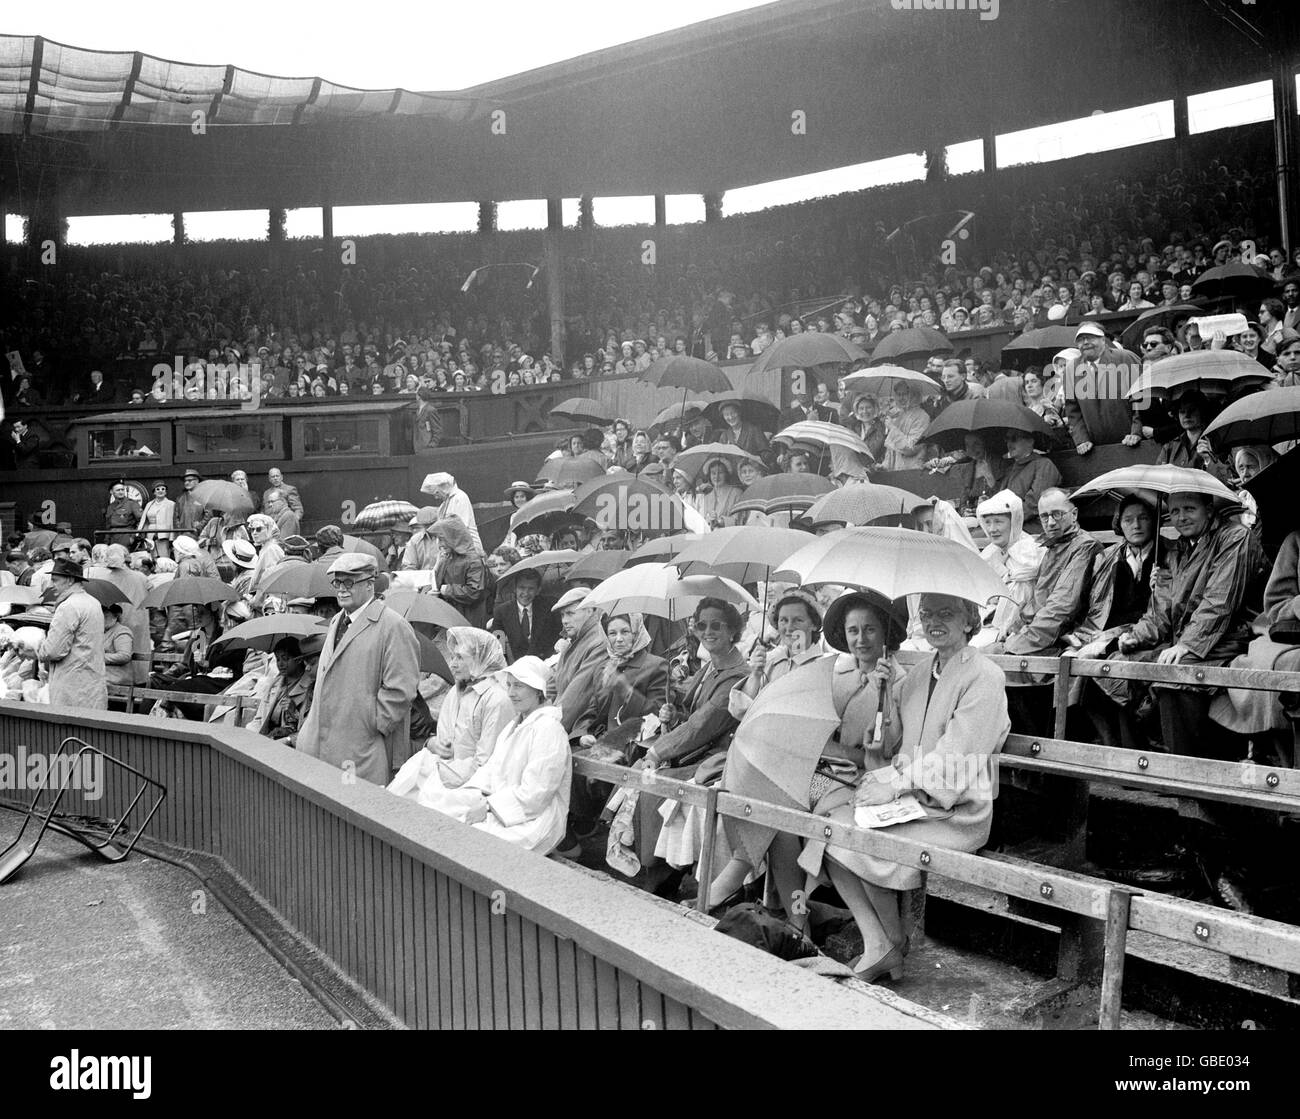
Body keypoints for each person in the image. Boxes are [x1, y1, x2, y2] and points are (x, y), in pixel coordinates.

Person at [801, 593, 1009, 981]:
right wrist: (885, 697)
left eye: (946, 614)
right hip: (912, 796)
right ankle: (881, 941)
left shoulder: (985, 677)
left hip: (955, 810)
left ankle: (888, 945)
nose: (934, 622)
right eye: (927, 614)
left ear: (969, 621)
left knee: (855, 832)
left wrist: (894, 786)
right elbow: (892, 743)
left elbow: (957, 759)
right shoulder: (919, 672)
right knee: (828, 827)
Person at [1088, 490, 1266, 759]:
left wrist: (1186, 645)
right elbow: (1160, 613)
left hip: (1231, 638)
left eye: (1189, 509)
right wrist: (1134, 637)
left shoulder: (1235, 538)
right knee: (1118, 665)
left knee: (1174, 675)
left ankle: (1184, 770)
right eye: (1174, 512)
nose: (1181, 517)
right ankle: (1138, 764)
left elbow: (1220, 603)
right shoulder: (1177, 550)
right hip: (1188, 639)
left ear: (1209, 508)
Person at [395, 657, 572, 854]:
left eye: (519, 686)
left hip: (533, 818)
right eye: (509, 685)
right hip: (502, 803)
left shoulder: (548, 730)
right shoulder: (516, 725)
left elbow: (536, 794)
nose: (511, 693)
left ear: (538, 691)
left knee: (465, 837)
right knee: (436, 805)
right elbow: (491, 769)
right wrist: (470, 796)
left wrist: (488, 807)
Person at [634, 598, 749, 879]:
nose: (707, 631)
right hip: (694, 751)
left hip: (716, 761)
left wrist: (657, 752)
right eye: (701, 625)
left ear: (733, 631)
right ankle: (637, 860)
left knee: (653, 785)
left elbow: (703, 725)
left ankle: (657, 872)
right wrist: (672, 714)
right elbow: (691, 715)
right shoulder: (710, 667)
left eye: (716, 625)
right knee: (636, 773)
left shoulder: (737, 675)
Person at [297, 554, 421, 785]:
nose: (342, 589)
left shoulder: (393, 626)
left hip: (359, 752)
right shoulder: (337, 621)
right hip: (320, 747)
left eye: (349, 583)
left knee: (350, 810)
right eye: (337, 583)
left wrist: (370, 725)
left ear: (369, 584)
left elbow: (401, 690)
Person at [1066, 497, 1159, 748]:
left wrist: (1158, 587)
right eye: (1129, 520)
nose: (1136, 525)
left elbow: (1164, 612)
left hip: (1148, 632)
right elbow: (1094, 604)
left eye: (1143, 518)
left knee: (1112, 669)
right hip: (1106, 630)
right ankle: (1109, 745)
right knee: (1073, 663)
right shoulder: (1108, 557)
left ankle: (1130, 749)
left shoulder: (1167, 555)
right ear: (1120, 523)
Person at [390, 627, 513, 794]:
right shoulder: (455, 693)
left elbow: (486, 764)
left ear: (480, 659)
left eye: (460, 658)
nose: (453, 664)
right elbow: (443, 739)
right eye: (453, 657)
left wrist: (440, 772)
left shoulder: (497, 700)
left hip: (472, 790)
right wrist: (433, 745)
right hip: (443, 780)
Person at [36, 557, 107, 710]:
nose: (51, 585)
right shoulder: (94, 602)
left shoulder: (68, 606)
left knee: (67, 733)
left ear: (69, 580)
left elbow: (53, 651)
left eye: (55, 580)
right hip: (92, 682)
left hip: (71, 685)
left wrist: (39, 646)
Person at [1061, 322, 1143, 454]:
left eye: (1091, 337)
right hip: (1095, 450)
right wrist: (1082, 440)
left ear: (1103, 339)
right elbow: (1073, 411)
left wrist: (1137, 431)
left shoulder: (1125, 358)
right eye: (1081, 339)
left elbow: (1140, 398)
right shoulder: (1071, 369)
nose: (1086, 342)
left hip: (1132, 444)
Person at [975, 491, 1044, 646]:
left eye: (998, 522)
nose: (992, 529)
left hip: (1018, 628)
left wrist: (1002, 569)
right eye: (987, 522)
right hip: (985, 623)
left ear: (1013, 521)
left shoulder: (1028, 551)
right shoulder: (990, 552)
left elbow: (1020, 597)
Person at [547, 587, 609, 736]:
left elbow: (575, 698)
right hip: (556, 720)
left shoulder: (598, 643)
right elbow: (552, 686)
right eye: (562, 615)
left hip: (576, 729)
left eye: (570, 613)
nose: (564, 621)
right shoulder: (573, 641)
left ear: (590, 611)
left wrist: (548, 730)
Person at [257, 635, 321, 746]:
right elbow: (259, 718)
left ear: (299, 660)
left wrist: (293, 711)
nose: (280, 664)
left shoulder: (310, 687)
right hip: (266, 739)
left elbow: (307, 727)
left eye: (286, 659)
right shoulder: (274, 684)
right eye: (278, 659)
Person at [1154, 391, 1232, 483]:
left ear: (1202, 412)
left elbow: (1227, 481)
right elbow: (1156, 480)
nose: (1187, 415)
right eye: (1182, 411)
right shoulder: (1170, 447)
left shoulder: (1217, 443)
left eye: (1192, 410)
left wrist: (1209, 460)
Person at [427, 515, 488, 627]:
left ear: (453, 537)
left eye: (442, 539)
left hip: (468, 619)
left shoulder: (473, 560)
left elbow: (474, 592)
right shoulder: (446, 558)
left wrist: (448, 590)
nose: (440, 544)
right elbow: (438, 585)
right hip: (449, 617)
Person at [490, 568, 558, 659]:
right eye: (522, 588)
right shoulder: (501, 611)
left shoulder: (549, 607)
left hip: (546, 663)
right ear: (515, 588)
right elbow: (498, 644)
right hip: (519, 665)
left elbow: (558, 637)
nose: (525, 593)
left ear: (538, 590)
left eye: (531, 589)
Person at [1000, 428, 1062, 523]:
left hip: (1033, 525)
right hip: (1007, 523)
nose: (1009, 443)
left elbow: (1034, 504)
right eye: (1006, 439)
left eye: (1014, 438)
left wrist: (1006, 520)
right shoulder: (1009, 469)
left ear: (1030, 441)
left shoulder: (1044, 465)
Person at [422, 472, 482, 553]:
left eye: (437, 493)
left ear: (444, 487)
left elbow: (461, 527)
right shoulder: (443, 505)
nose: (436, 497)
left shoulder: (460, 497)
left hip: (468, 549)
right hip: (453, 549)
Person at [882, 383, 930, 471]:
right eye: (898, 394)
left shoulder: (922, 417)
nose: (901, 398)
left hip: (912, 473)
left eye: (905, 394)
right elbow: (892, 450)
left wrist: (892, 429)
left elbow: (911, 448)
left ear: (914, 395)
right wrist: (884, 466)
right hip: (894, 474)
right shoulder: (898, 416)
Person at [693, 458, 744, 527]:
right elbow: (701, 521)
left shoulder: (736, 493)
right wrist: (708, 520)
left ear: (726, 474)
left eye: (720, 472)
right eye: (713, 473)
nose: (716, 476)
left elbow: (739, 519)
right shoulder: (707, 498)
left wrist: (721, 521)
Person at [101, 603, 135, 689]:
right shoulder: (100, 631)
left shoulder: (122, 631)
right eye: (100, 615)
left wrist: (99, 657)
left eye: (106, 616)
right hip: (101, 676)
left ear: (115, 617)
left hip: (116, 678)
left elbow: (124, 656)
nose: (102, 619)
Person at [138, 480, 175, 559]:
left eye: (163, 489)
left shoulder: (171, 504)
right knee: (151, 556)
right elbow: (145, 520)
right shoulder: (149, 504)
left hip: (163, 534)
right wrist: (142, 533)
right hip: (150, 533)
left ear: (166, 492)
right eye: (157, 489)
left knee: (164, 556)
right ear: (154, 492)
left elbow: (172, 521)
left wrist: (171, 537)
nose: (160, 491)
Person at [103, 482, 142, 549]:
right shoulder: (110, 507)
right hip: (113, 538)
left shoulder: (132, 504)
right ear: (112, 492)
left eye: (122, 489)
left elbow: (141, 521)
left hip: (126, 536)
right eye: (118, 490)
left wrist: (133, 537)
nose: (121, 492)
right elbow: (108, 526)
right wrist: (106, 540)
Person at [174, 469, 205, 534]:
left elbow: (208, 516)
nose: (186, 483)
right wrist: (179, 531)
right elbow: (176, 518)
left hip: (199, 534)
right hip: (183, 535)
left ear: (197, 481)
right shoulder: (180, 499)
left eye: (190, 480)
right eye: (185, 481)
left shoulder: (204, 497)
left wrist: (199, 527)